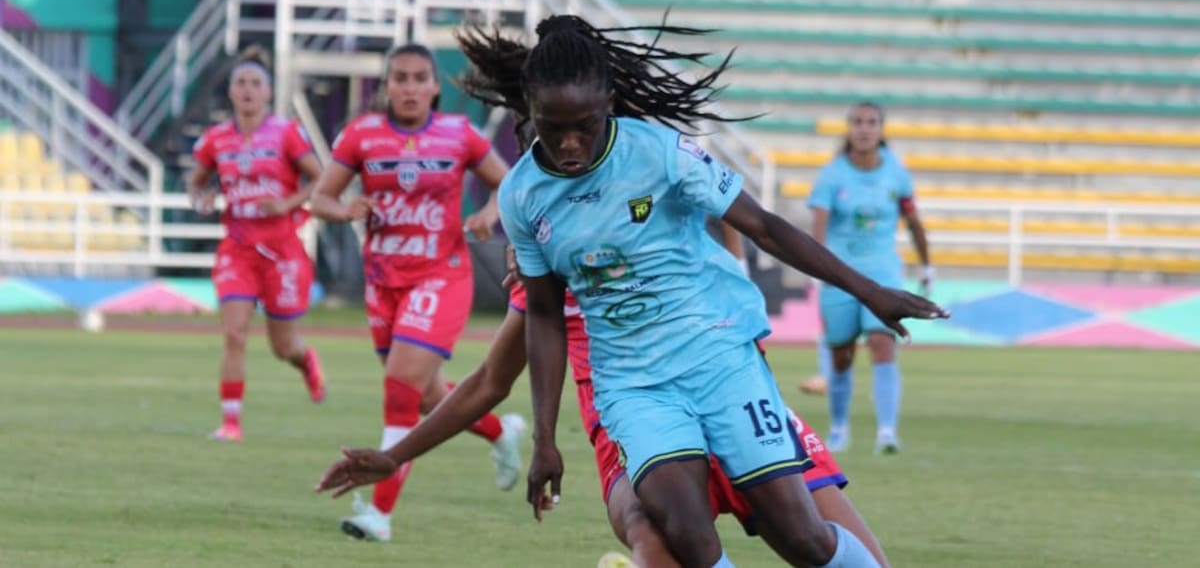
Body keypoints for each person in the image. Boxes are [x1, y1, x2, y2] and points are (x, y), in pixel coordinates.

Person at [450, 16, 945, 567]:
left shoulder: (662, 153)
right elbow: (544, 315)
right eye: (551, 126)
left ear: (609, 104)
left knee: (801, 535)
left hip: (719, 358)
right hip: (634, 385)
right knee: (687, 534)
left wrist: (869, 290)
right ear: (530, 110)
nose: (570, 143)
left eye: (584, 126)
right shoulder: (522, 195)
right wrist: (545, 437)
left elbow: (764, 227)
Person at [315, 252, 893, 568]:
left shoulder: (661, 203)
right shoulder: (543, 276)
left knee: (827, 546)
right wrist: (395, 456)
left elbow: (743, 226)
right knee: (651, 531)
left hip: (732, 400)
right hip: (632, 432)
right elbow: (489, 381)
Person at [309, 41, 525, 543]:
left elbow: (508, 184)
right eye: (399, 78)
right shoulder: (362, 135)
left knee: (399, 388)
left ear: (434, 87)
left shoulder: (458, 134)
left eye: (419, 78)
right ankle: (502, 433)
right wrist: (345, 210)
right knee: (427, 398)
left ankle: (379, 514)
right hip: (383, 284)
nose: (409, 88)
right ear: (386, 86)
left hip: (441, 277)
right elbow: (320, 198)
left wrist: (488, 215)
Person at [187, 45, 326, 443]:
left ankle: (305, 360)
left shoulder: (286, 133)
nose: (247, 90)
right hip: (238, 249)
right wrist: (201, 198)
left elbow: (320, 177)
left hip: (282, 250)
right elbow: (196, 182)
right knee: (234, 333)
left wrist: (286, 203)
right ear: (231, 91)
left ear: (268, 92)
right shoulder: (216, 139)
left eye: (255, 83)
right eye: (241, 83)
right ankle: (231, 423)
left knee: (283, 346)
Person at [808, 102, 933, 455]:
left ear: (881, 129)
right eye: (858, 122)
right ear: (849, 129)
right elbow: (818, 226)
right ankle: (839, 429)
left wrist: (926, 265)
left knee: (882, 342)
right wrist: (818, 268)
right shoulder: (832, 175)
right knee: (841, 355)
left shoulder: (896, 172)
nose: (864, 129)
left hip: (883, 272)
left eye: (871, 122)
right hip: (840, 274)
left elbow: (913, 221)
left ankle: (887, 432)